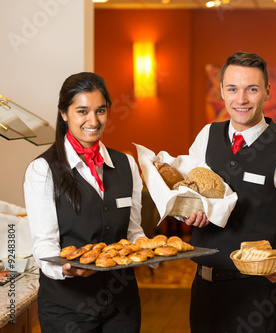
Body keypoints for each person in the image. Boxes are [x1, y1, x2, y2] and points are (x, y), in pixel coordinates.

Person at [185, 51, 276, 333]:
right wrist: (187, 212)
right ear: (221, 91)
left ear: (267, 91)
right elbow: (189, 194)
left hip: (253, 294)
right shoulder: (207, 135)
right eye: (232, 89)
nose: (241, 99)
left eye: (252, 89)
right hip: (202, 288)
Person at [23, 72, 146, 333]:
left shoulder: (127, 165)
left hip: (122, 304)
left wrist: (150, 251)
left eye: (100, 110)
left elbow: (133, 232)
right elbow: (45, 244)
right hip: (67, 309)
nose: (93, 120)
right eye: (82, 111)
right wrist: (67, 270)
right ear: (64, 113)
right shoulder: (43, 170)